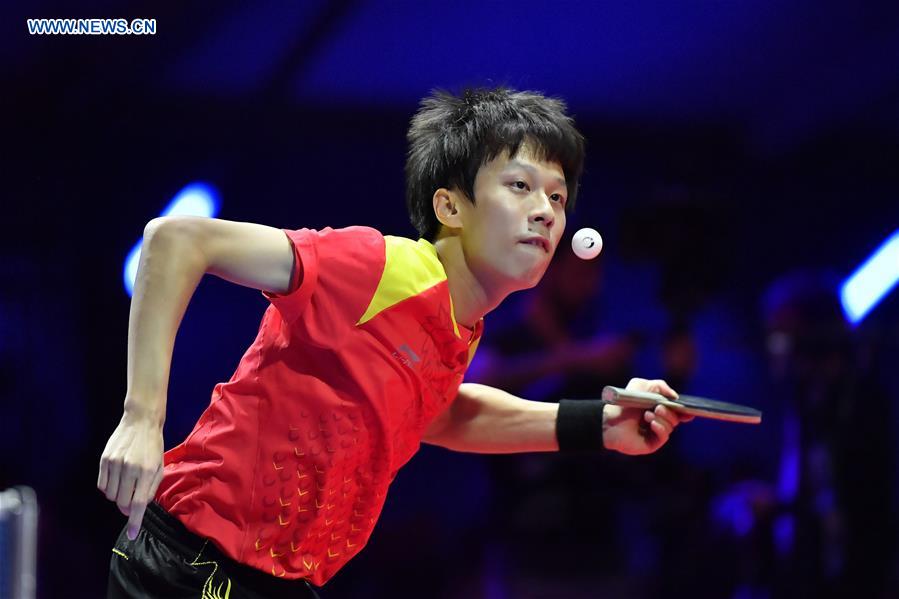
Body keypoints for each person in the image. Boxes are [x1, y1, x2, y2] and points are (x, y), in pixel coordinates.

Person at [97, 87, 691, 598]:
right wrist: (142, 418)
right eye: (520, 186)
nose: (545, 212)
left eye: (557, 198)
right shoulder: (380, 267)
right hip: (191, 558)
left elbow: (440, 414)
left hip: (283, 581)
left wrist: (599, 423)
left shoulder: (461, 326)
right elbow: (174, 240)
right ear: (450, 205)